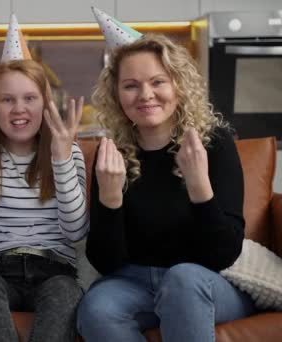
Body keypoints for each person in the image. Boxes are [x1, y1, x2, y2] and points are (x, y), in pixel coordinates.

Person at [76, 33, 255, 341]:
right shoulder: (113, 153)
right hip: (133, 283)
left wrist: (199, 186)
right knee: (96, 308)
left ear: (178, 85)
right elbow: (107, 262)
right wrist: (110, 197)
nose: (145, 94)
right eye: (131, 85)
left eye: (158, 81)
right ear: (117, 95)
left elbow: (223, 255)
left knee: (182, 279)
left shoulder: (213, 144)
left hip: (204, 281)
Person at [0, 51, 90, 341]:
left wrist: (61, 160)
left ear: (45, 104)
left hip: (55, 269)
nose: (18, 109)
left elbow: (76, 231)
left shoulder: (68, 151)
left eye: (29, 98)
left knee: (65, 290)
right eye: (7, 99)